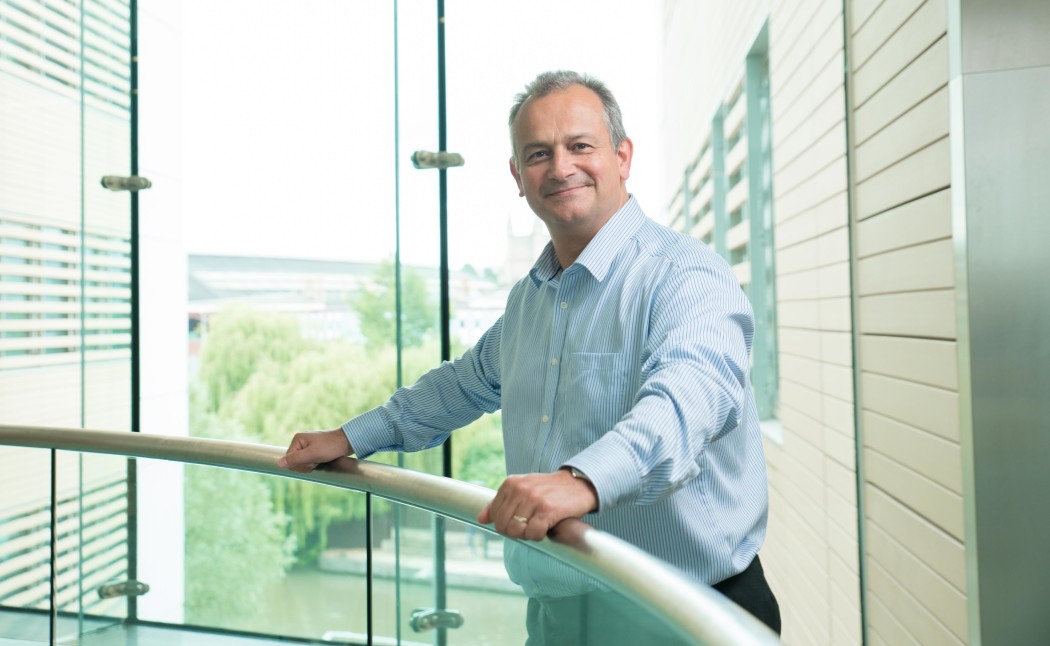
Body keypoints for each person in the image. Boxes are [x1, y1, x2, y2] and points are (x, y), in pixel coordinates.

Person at [278, 70, 780, 643]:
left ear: (622, 156)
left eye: (580, 146)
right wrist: (349, 437)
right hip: (558, 614)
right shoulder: (532, 298)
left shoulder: (685, 275)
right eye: (539, 154)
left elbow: (687, 403)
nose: (561, 167)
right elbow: (463, 386)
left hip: (683, 615)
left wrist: (582, 481)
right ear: (518, 177)